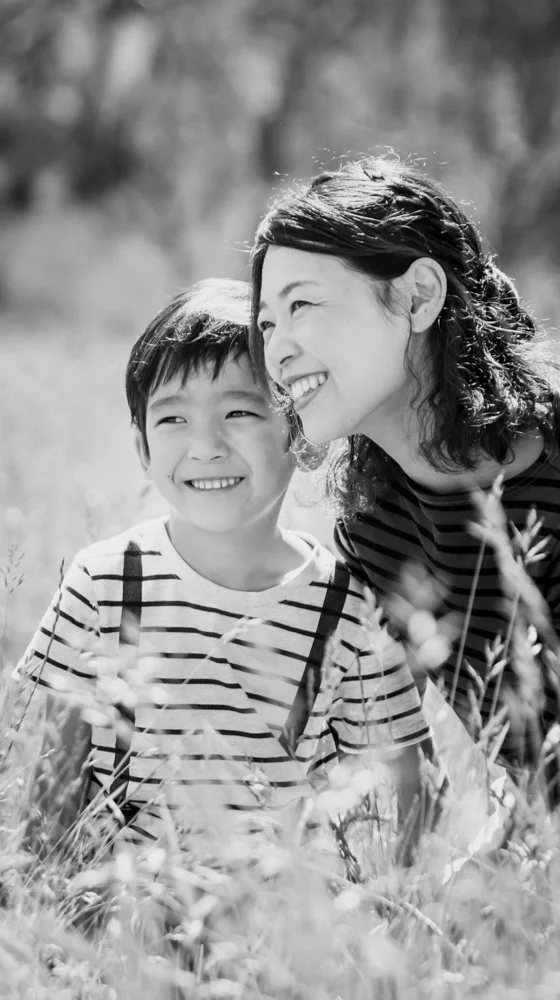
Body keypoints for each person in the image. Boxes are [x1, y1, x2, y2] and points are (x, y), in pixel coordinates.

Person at [250, 155, 560, 823]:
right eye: (268, 322)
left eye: (301, 304)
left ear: (418, 297)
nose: (277, 349)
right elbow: (371, 752)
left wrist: (473, 868)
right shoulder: (375, 520)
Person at [18, 277, 432, 852]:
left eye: (239, 411)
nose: (206, 445)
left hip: (282, 903)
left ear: (304, 436)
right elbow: (47, 790)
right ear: (142, 450)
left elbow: (406, 799)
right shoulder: (103, 583)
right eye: (173, 420)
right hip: (119, 902)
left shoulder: (346, 610)